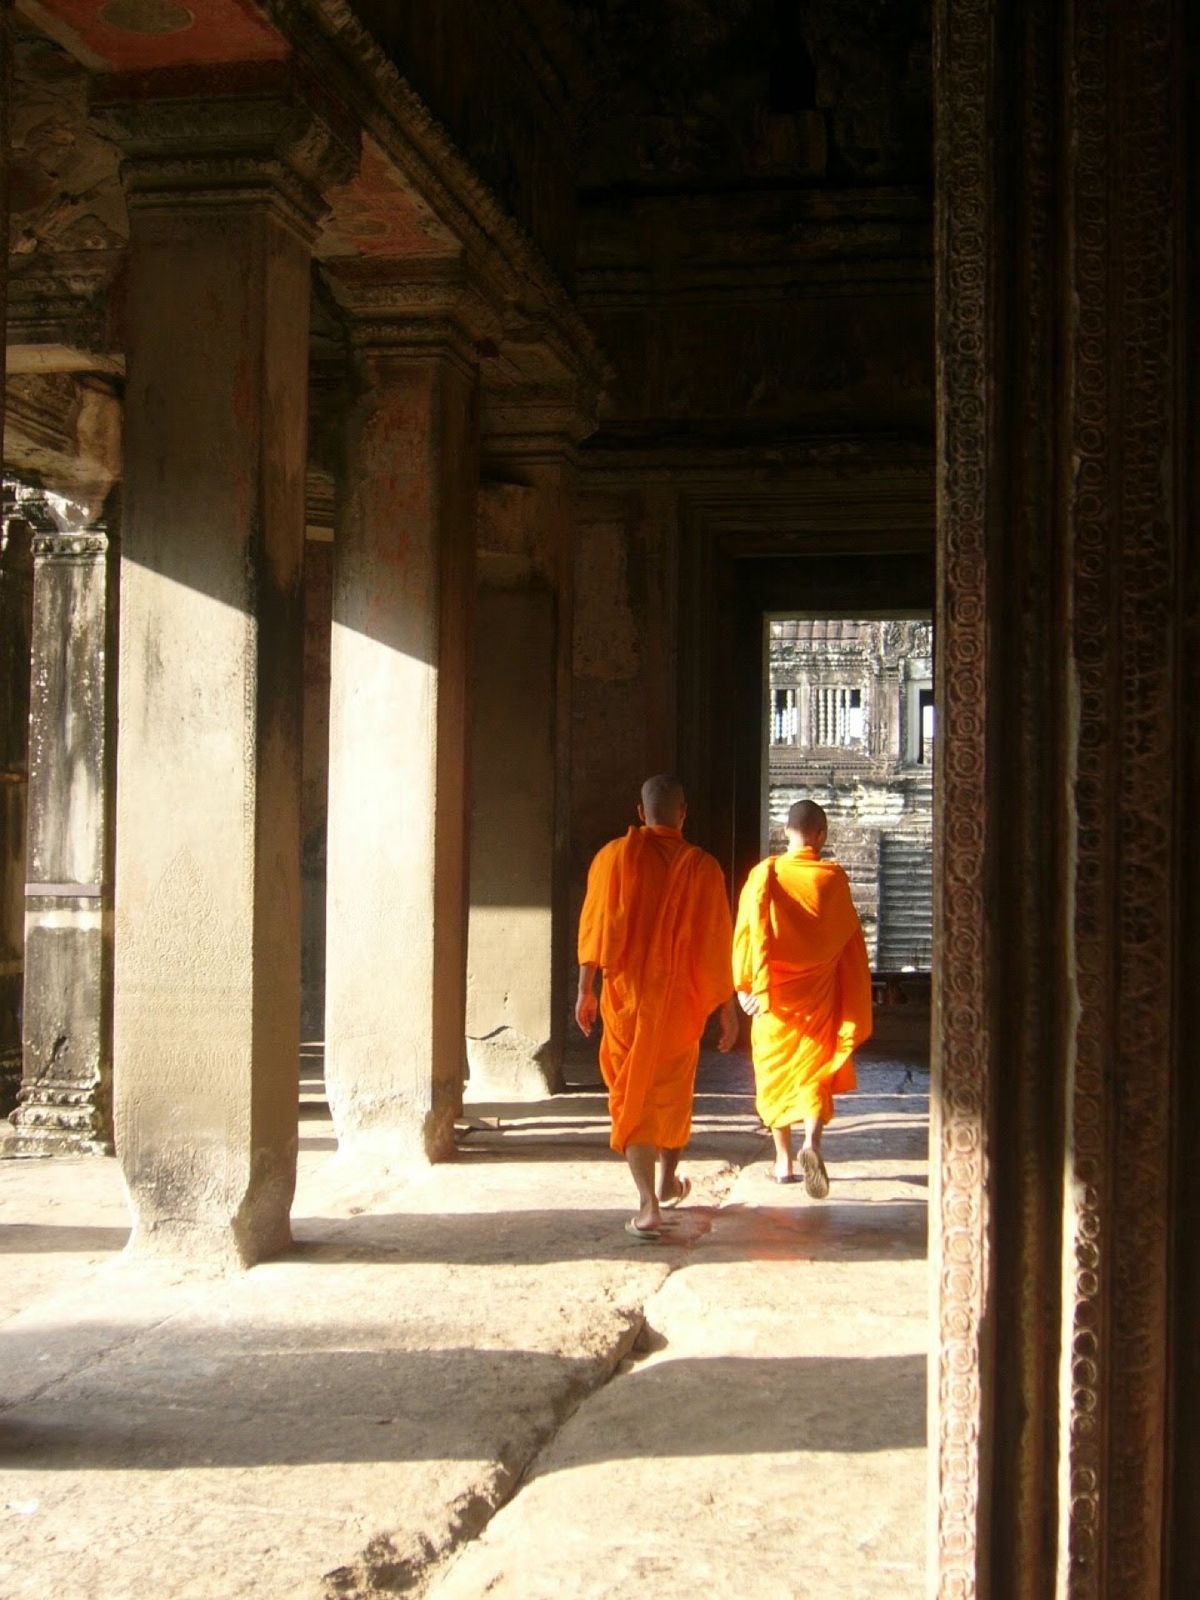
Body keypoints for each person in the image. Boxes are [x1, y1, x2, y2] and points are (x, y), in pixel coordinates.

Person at [576, 774, 738, 1242]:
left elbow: (595, 932)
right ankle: (666, 1179)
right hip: (678, 1006)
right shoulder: (703, 868)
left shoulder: (612, 859)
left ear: (640, 811)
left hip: (626, 1001)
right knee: (669, 1093)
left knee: (633, 1097)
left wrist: (585, 989)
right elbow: (715, 943)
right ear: (683, 813)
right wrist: (726, 1006)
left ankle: (650, 1200)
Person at [733, 799, 873, 1196]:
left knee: (774, 1074)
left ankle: (783, 1161)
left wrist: (745, 986)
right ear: (821, 835)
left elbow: (747, 933)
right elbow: (850, 943)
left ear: (785, 831)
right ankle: (812, 1142)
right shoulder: (833, 879)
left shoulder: (766, 874)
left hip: (772, 998)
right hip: (818, 995)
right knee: (813, 1071)